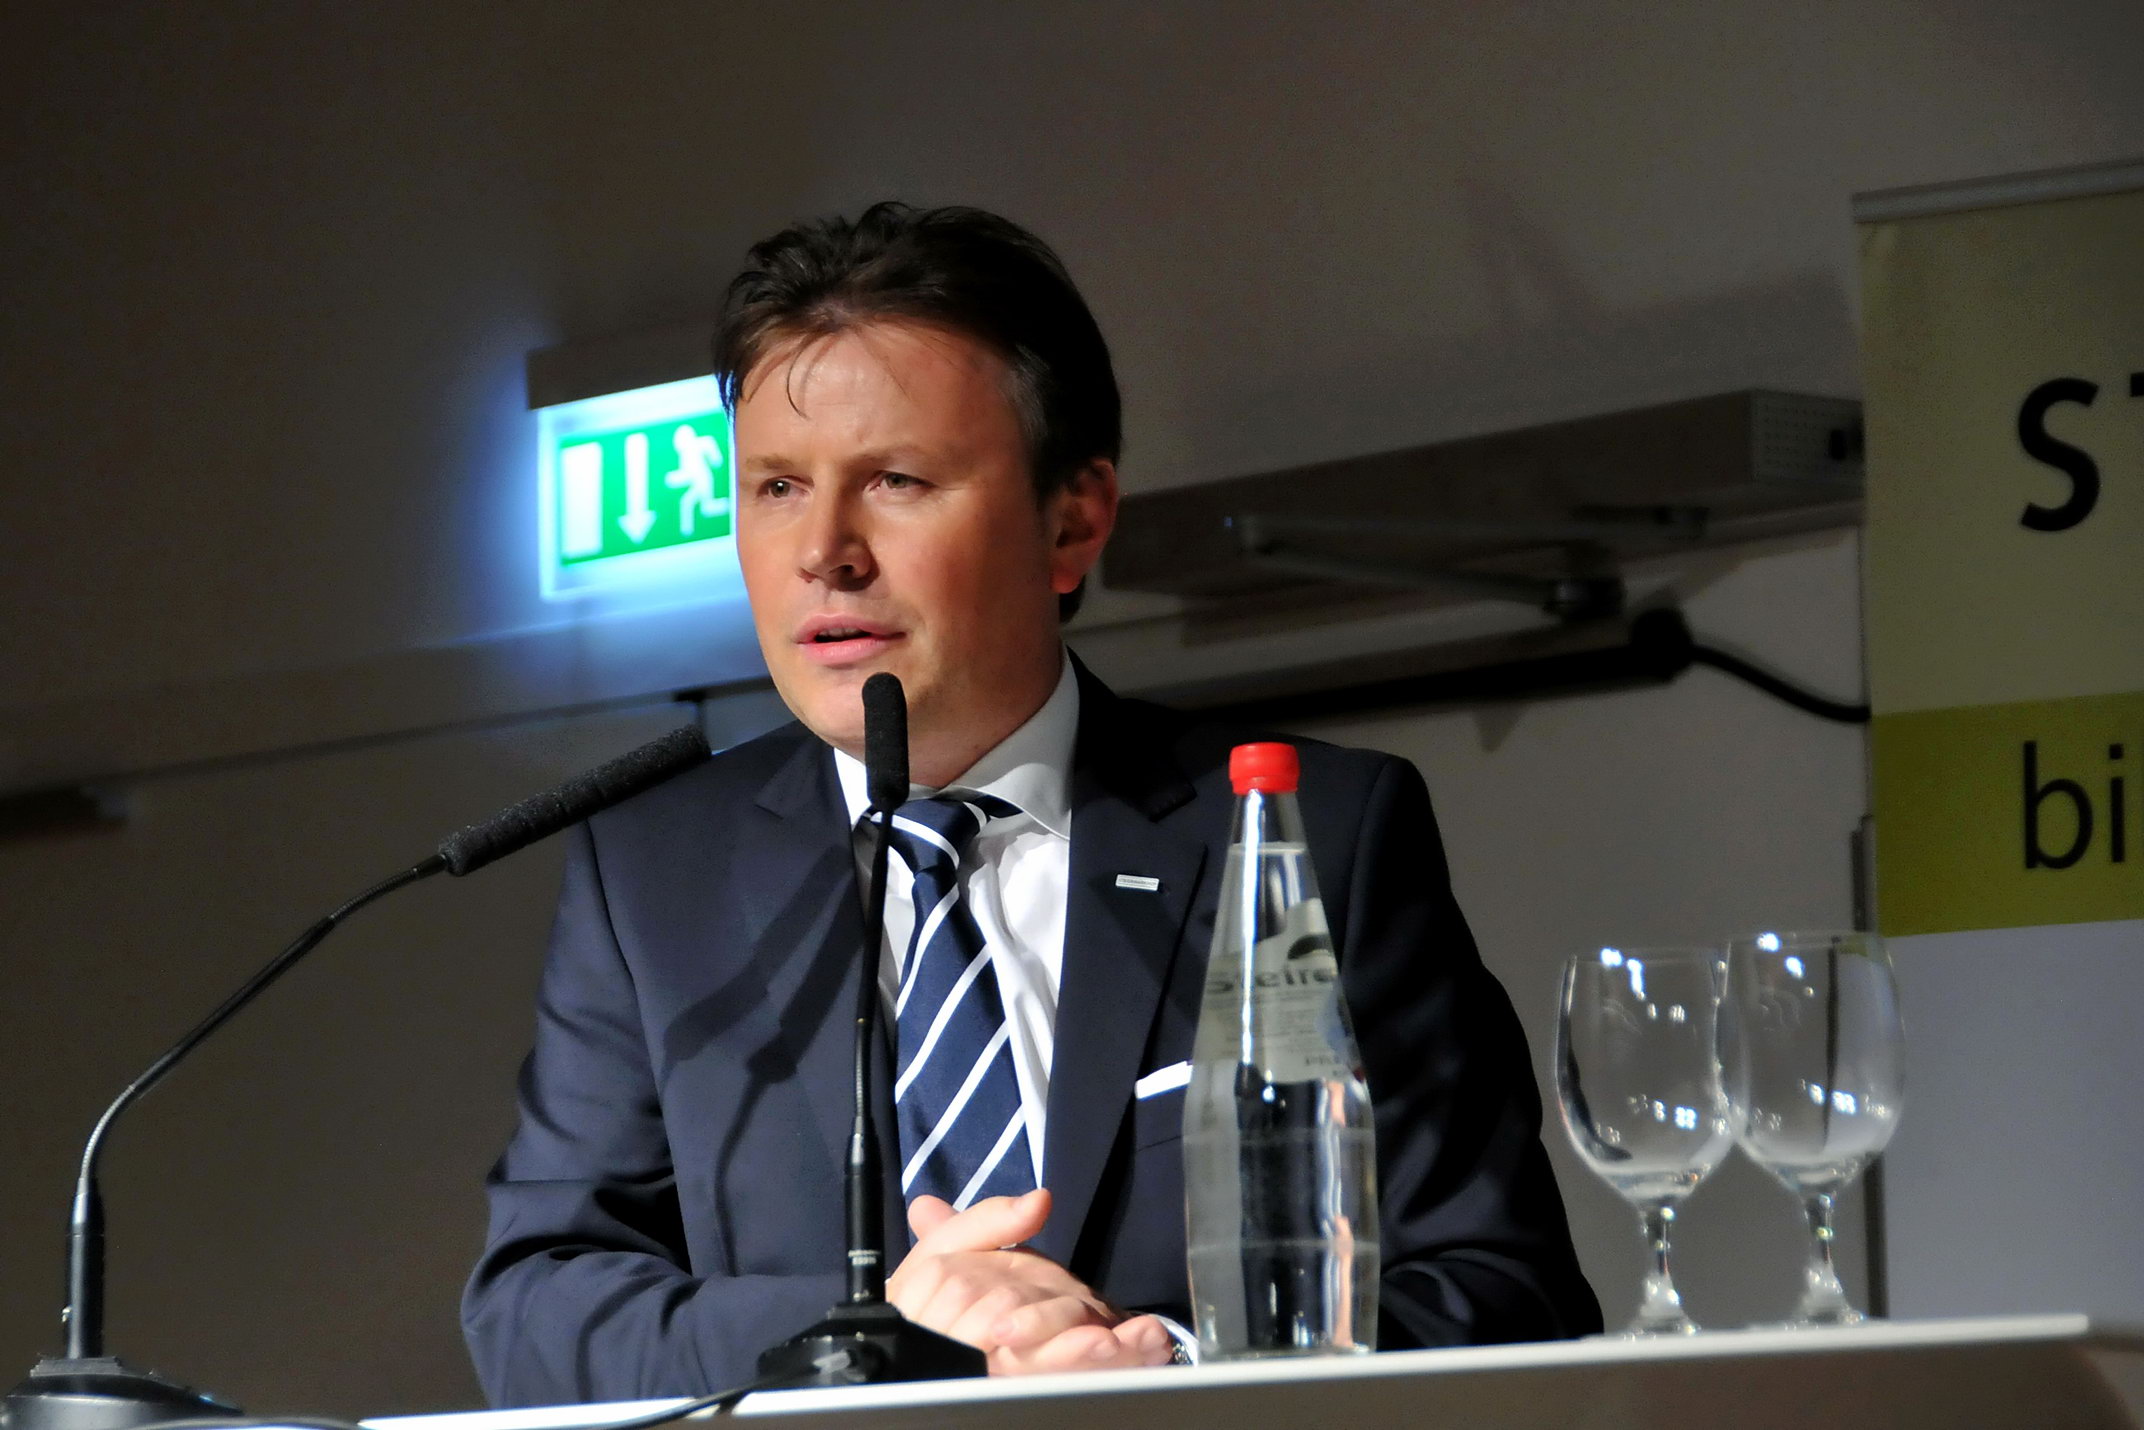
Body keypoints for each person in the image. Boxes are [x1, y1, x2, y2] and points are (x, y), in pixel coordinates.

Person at [461, 203, 1599, 1405]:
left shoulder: (1303, 831)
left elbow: (1503, 1288)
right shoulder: (654, 874)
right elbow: (538, 1308)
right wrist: (878, 1334)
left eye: (895, 480)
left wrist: (1162, 1363)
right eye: (778, 486)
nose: (823, 550)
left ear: (1073, 520)